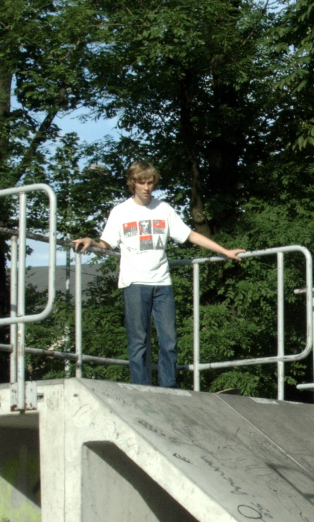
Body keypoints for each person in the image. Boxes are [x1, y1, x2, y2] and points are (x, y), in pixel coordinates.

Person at [72, 161, 246, 388]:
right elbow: (106, 243)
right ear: (132, 183)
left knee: (169, 341)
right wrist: (91, 241)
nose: (146, 187)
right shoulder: (120, 212)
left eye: (150, 182)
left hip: (162, 283)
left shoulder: (163, 209)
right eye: (141, 182)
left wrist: (224, 251)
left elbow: (190, 234)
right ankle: (141, 389)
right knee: (138, 343)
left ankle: (168, 389)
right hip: (134, 283)